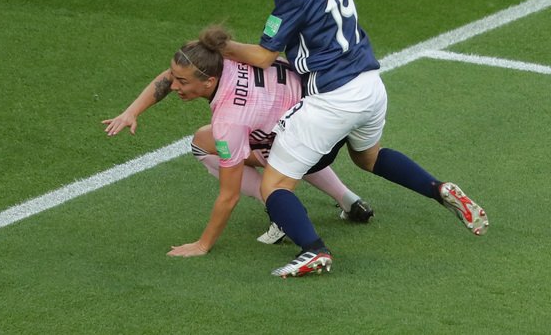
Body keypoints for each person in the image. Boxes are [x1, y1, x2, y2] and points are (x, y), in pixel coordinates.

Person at [220, 0, 487, 278]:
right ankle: (439, 188)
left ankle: (314, 251)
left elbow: (265, 56)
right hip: (370, 87)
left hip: (332, 97)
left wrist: (223, 47)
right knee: (368, 157)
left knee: (274, 185)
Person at [103, 26, 374, 258]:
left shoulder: (228, 122)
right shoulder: (221, 59)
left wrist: (203, 244)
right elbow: (171, 73)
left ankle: (279, 208)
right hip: (328, 115)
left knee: (216, 148)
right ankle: (349, 200)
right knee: (226, 139)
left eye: (182, 82)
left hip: (305, 135)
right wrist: (132, 111)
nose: (174, 87)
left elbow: (228, 195)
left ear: (209, 82)